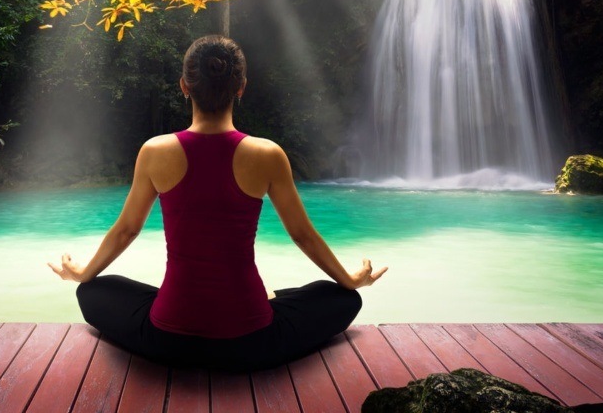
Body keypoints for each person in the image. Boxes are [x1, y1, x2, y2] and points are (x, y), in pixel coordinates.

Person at [48, 34, 387, 372]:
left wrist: (83, 272)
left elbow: (126, 232)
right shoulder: (267, 154)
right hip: (252, 342)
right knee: (343, 298)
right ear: (241, 87)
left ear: (184, 86)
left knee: (91, 292)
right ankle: (270, 297)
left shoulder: (154, 152)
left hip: (168, 340)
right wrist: (350, 279)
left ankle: (178, 305)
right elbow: (302, 235)